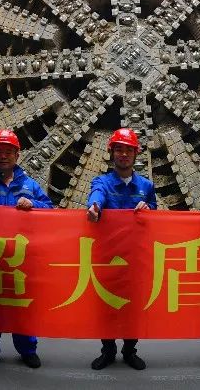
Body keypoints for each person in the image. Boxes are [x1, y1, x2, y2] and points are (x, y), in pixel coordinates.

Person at [0, 129, 52, 370]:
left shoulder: (29, 185)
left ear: (17, 155)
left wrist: (33, 204)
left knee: (21, 307)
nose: (3, 156)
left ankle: (27, 350)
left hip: (20, 261)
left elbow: (50, 209)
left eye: (8, 151)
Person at [86, 127, 156, 371]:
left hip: (136, 256)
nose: (124, 154)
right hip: (109, 255)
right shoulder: (102, 182)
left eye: (128, 150)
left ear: (136, 153)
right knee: (106, 304)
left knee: (133, 306)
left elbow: (154, 212)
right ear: (112, 153)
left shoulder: (146, 186)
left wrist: (148, 209)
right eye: (119, 149)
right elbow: (97, 194)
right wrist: (95, 206)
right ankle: (108, 350)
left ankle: (129, 350)